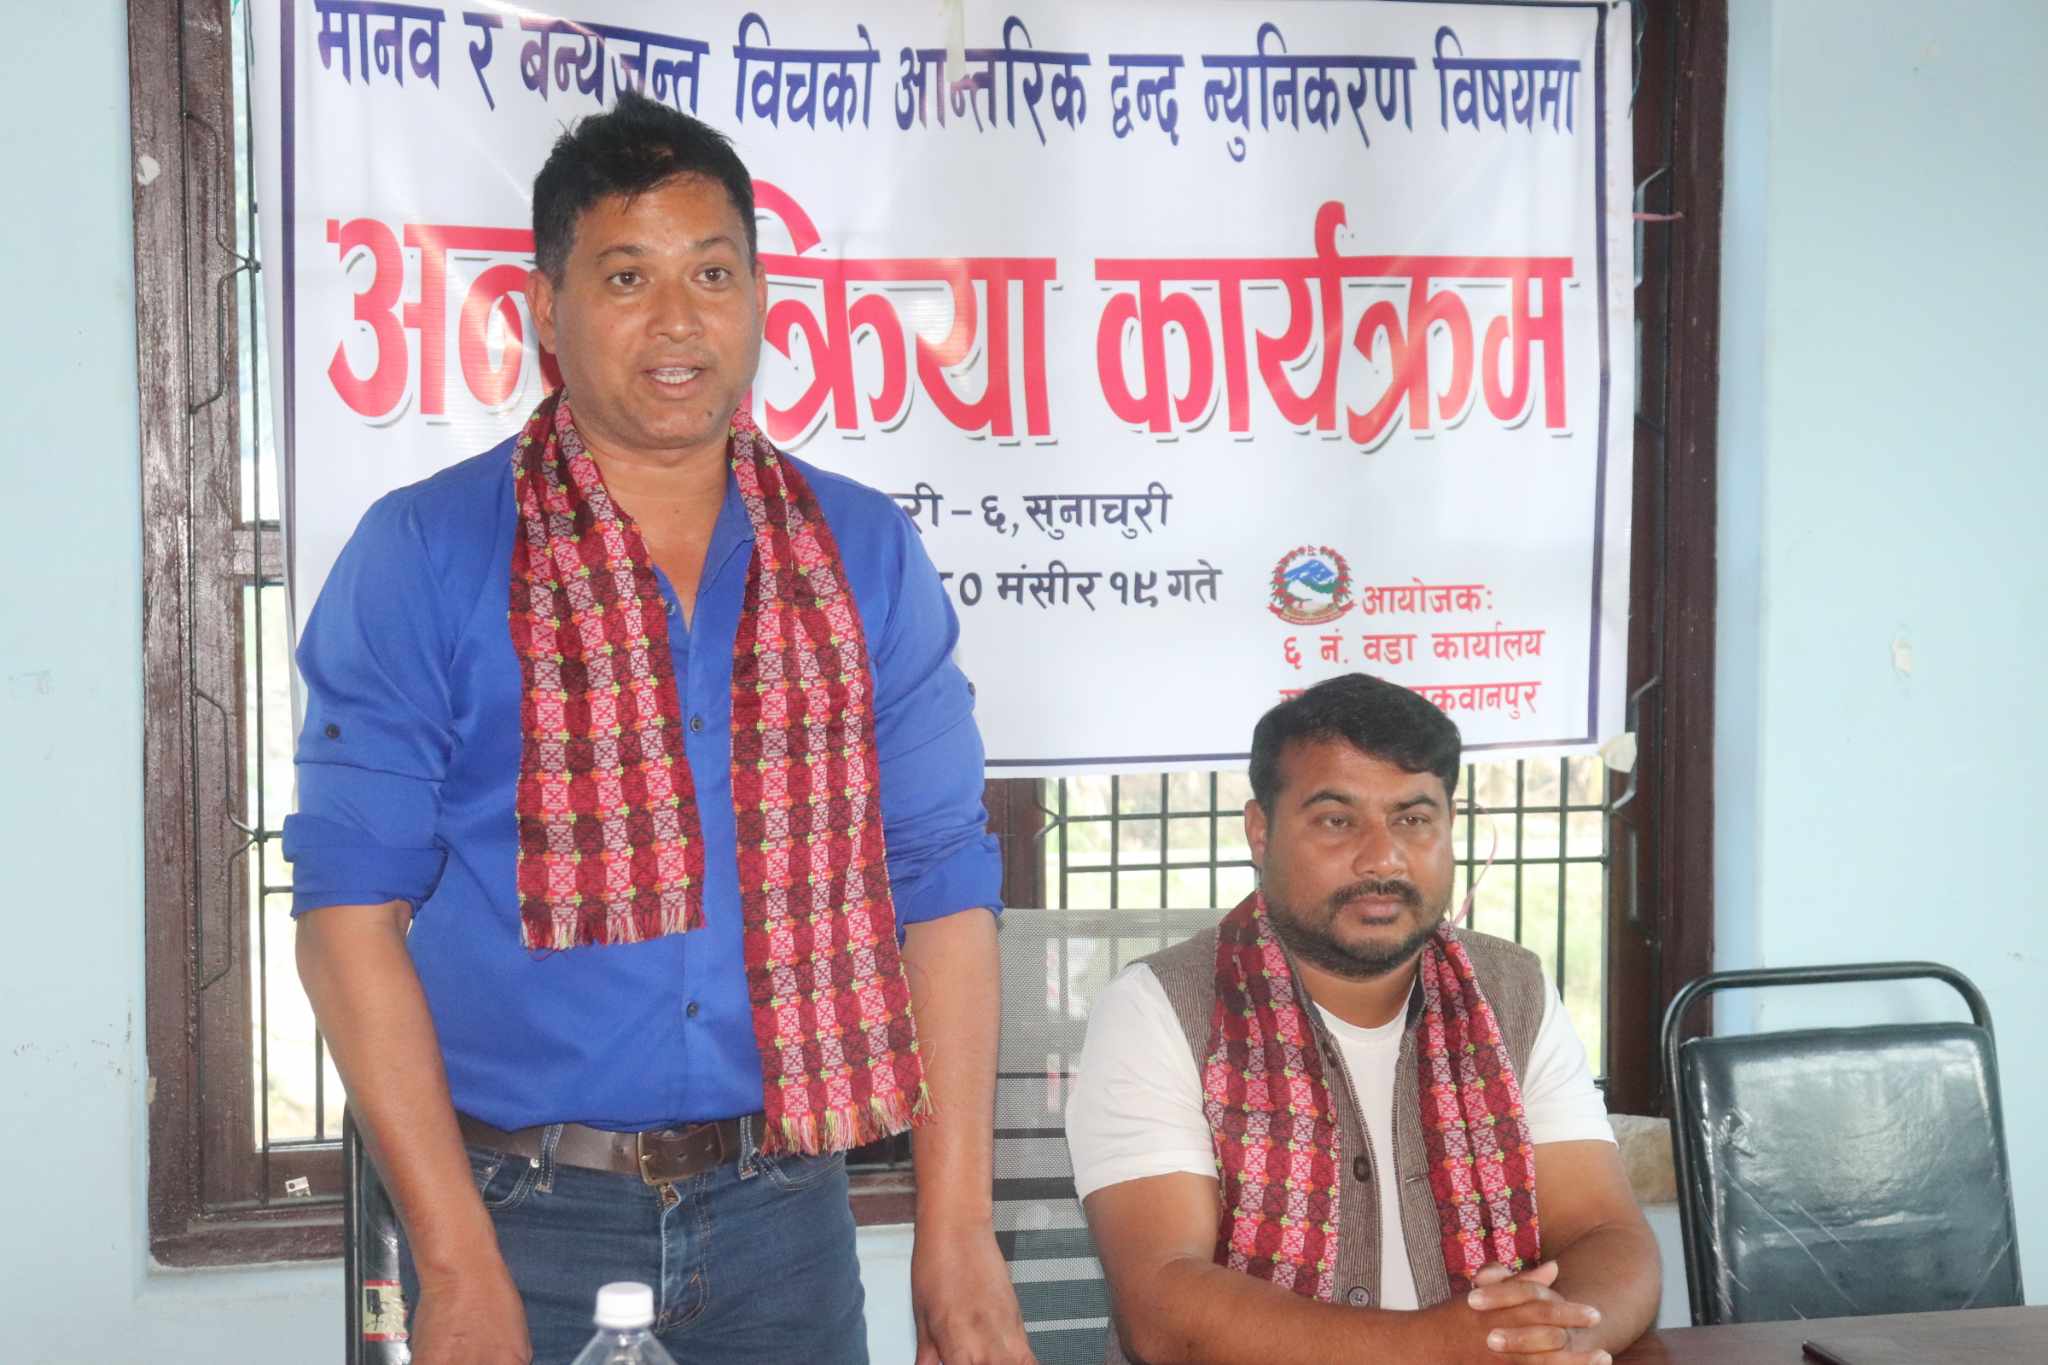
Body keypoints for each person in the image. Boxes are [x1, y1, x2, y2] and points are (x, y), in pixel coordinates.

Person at [288, 92, 1031, 1365]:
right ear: (546, 309)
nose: (678, 320)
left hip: (785, 1214)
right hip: (512, 1215)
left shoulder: (861, 554)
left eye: (713, 273)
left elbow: (942, 885)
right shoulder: (426, 552)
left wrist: (956, 1232)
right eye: (627, 276)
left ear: (760, 301)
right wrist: (454, 1261)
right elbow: (348, 917)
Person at [1065, 674, 1659, 1365]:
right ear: (1260, 831)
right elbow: (1162, 1304)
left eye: (1413, 818)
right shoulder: (1160, 1008)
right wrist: (1441, 1350)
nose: (1382, 857)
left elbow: (1608, 1235)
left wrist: (1551, 1342)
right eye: (1336, 820)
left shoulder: (1513, 993)